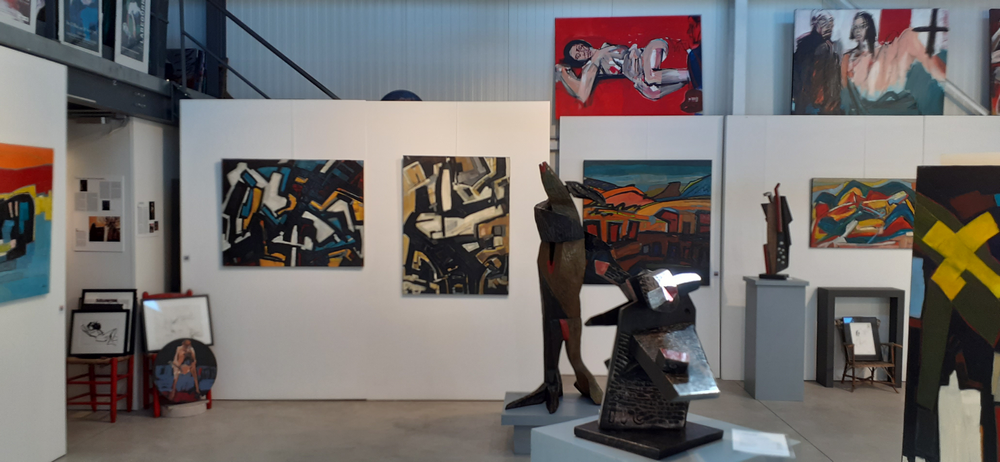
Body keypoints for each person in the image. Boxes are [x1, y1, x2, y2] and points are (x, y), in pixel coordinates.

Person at [841, 11, 947, 115]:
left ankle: (944, 80)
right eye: (855, 27)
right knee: (907, 39)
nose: (858, 30)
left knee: (909, 36)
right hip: (868, 94)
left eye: (862, 26)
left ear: (870, 27)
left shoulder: (881, 50)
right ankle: (944, 80)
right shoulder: (848, 56)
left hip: (890, 86)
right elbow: (844, 85)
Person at [555, 35, 692, 104]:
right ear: (578, 61)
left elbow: (582, 92)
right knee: (652, 93)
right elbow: (582, 93)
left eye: (579, 47)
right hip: (644, 71)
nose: (582, 51)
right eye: (578, 55)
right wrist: (565, 74)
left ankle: (692, 74)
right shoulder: (592, 66)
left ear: (583, 43)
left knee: (650, 77)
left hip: (651, 50)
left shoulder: (602, 51)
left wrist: (564, 73)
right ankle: (686, 81)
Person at [792, 11, 842, 114]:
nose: (828, 26)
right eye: (823, 21)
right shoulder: (805, 46)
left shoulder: (832, 48)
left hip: (826, 104)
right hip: (809, 102)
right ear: (814, 22)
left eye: (831, 22)